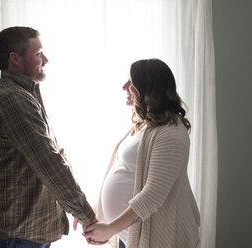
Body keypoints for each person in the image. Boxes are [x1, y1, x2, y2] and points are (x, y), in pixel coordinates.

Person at [0, 26, 97, 248]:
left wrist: (75, 205)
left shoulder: (25, 94)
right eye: (38, 54)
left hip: (26, 231)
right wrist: (85, 214)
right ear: (15, 58)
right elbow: (48, 161)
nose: (46, 59)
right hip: (17, 234)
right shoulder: (12, 99)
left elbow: (55, 154)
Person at [83, 59, 200, 248]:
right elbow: (124, 171)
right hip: (128, 236)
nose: (124, 87)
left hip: (152, 238)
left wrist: (110, 228)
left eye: (131, 82)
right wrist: (98, 213)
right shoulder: (145, 125)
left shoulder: (171, 132)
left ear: (148, 88)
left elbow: (152, 195)